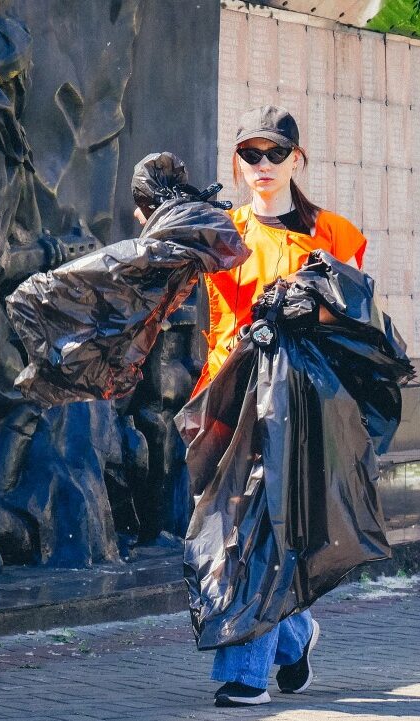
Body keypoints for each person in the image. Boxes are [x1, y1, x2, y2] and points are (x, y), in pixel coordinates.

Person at [155, 106, 365, 707]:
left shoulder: (332, 232)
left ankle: (245, 673)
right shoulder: (223, 231)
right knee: (232, 529)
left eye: (276, 154)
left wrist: (307, 308)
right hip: (227, 391)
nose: (264, 165)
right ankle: (293, 635)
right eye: (251, 154)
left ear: (297, 160)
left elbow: (354, 311)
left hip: (298, 398)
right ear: (237, 164)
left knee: (256, 529)